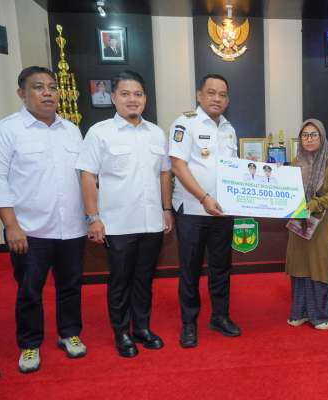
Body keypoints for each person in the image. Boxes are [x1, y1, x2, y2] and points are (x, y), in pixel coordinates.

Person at [0, 66, 87, 373]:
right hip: (29, 229)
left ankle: (69, 333)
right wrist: (11, 226)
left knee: (71, 284)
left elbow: (83, 177)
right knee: (30, 289)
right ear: (22, 93)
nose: (47, 93)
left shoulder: (71, 130)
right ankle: (29, 344)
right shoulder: (5, 130)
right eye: (38, 87)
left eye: (52, 87)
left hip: (72, 226)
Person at [77, 70, 173, 357]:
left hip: (151, 222)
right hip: (117, 224)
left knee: (144, 279)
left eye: (138, 94)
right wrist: (93, 217)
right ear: (113, 98)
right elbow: (87, 175)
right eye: (125, 94)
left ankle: (141, 328)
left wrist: (166, 209)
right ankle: (121, 332)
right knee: (120, 280)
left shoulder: (156, 133)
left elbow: (164, 174)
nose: (133, 99)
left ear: (145, 98)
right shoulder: (100, 132)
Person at [169, 74, 240, 348]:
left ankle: (220, 317)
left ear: (228, 100)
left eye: (222, 94)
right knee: (190, 269)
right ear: (199, 95)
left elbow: (232, 168)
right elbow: (178, 166)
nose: (217, 98)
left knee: (221, 268)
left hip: (222, 211)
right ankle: (189, 323)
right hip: (192, 210)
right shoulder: (185, 123)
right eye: (211, 93)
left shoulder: (229, 128)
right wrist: (204, 197)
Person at [286, 119, 328, 329]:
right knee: (300, 265)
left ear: (322, 137)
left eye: (313, 135)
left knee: (319, 266)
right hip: (299, 224)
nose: (309, 139)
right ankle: (300, 312)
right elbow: (286, 190)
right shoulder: (295, 164)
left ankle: (320, 315)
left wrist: (315, 203)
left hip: (322, 223)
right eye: (305, 135)